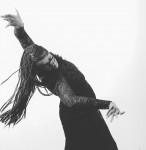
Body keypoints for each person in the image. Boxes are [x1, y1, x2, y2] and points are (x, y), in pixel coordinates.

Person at [0, 10, 125, 150]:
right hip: (76, 116)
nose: (52, 63)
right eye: (46, 64)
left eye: (50, 58)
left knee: (107, 145)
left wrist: (19, 28)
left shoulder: (42, 56)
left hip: (89, 109)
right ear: (40, 69)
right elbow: (71, 100)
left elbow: (29, 47)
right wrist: (107, 104)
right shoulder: (54, 79)